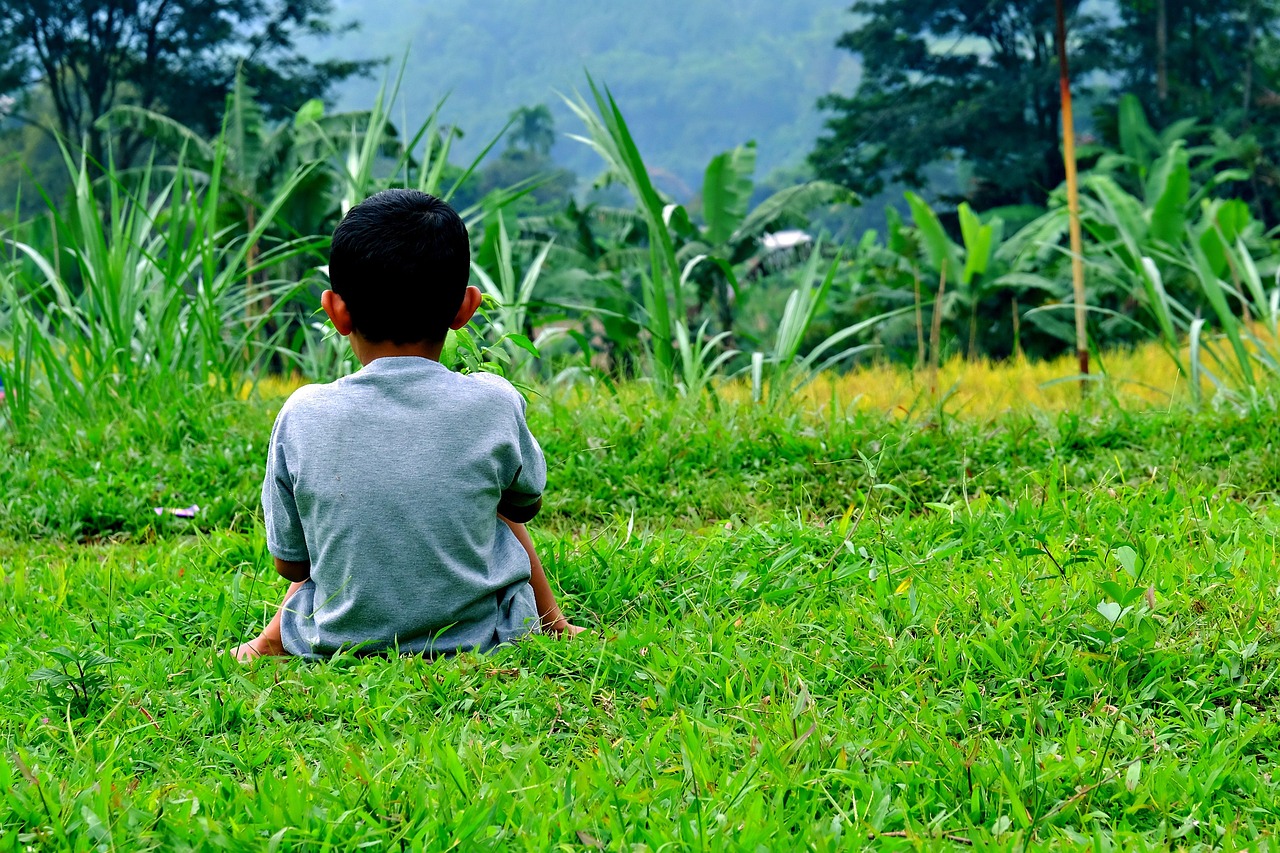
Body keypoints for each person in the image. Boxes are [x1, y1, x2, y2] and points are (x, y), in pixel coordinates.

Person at [232, 189, 582, 661]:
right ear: (466, 308)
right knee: (493, 499)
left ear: (336, 310)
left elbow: (292, 562)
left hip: (336, 643)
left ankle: (268, 642)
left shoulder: (302, 413)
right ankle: (554, 623)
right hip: (486, 638)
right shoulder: (493, 401)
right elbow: (522, 507)